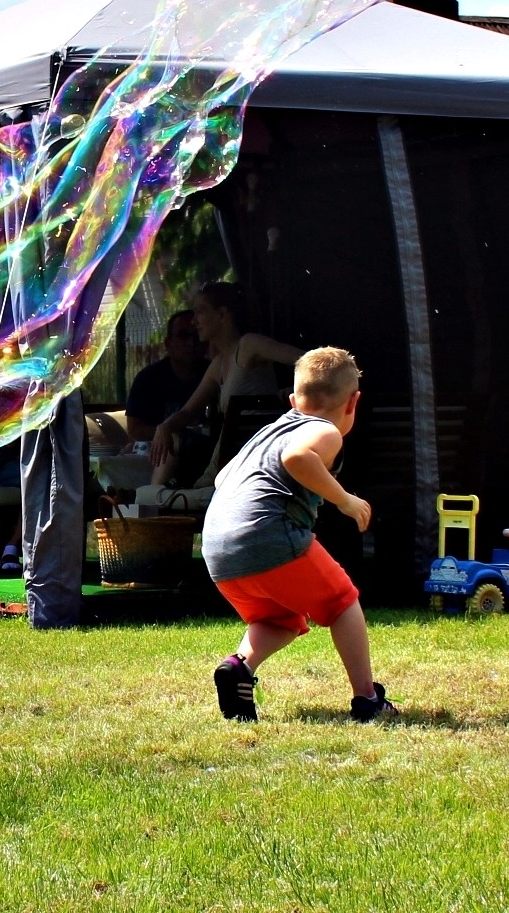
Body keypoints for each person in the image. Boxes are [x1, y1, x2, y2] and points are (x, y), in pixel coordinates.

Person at [201, 347, 399, 723]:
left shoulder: (268, 432)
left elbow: (222, 477)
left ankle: (240, 667)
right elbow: (297, 458)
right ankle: (368, 699)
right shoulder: (324, 430)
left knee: (280, 619)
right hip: (269, 536)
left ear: (293, 400)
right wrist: (345, 501)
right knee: (343, 603)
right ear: (353, 402)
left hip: (218, 549)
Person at [150, 282, 300, 488]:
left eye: (200, 312)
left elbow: (309, 360)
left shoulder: (249, 344)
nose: (194, 322)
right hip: (228, 461)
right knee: (174, 438)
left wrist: (297, 390)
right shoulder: (218, 364)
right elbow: (187, 412)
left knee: (150, 496)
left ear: (222, 314)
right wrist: (164, 426)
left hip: (249, 464)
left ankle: (154, 502)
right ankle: (156, 500)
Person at [125, 311, 208, 443]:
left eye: (197, 335)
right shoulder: (148, 379)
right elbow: (134, 430)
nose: (191, 342)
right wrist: (175, 435)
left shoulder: (214, 374)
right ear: (167, 344)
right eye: (183, 335)